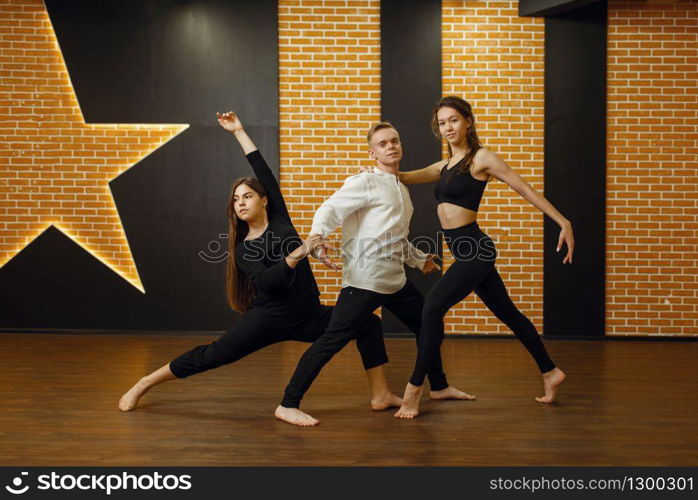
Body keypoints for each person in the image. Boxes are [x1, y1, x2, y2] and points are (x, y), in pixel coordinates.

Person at [118, 112, 400, 425]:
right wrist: (301, 251)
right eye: (236, 200)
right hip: (267, 318)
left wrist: (238, 130)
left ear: (264, 200)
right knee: (211, 355)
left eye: (248, 196)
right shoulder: (244, 249)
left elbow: (260, 167)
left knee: (369, 325)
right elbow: (270, 281)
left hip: (307, 314)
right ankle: (144, 383)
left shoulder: (279, 219)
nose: (240, 203)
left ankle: (380, 394)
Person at [275, 122, 474, 427]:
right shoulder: (365, 182)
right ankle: (287, 404)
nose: (390, 146)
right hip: (364, 281)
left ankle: (439, 385)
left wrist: (419, 260)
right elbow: (329, 209)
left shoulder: (401, 189)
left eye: (394, 141)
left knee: (428, 325)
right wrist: (316, 238)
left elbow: (394, 236)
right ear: (372, 152)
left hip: (394, 281)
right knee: (330, 341)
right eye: (382, 144)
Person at [391, 96, 573, 419]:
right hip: (467, 252)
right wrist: (379, 168)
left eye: (454, 121)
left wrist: (563, 221)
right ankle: (550, 372)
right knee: (510, 314)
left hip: (475, 252)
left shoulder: (481, 159)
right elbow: (403, 176)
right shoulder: (444, 166)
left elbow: (526, 189)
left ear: (468, 122)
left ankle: (414, 389)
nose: (448, 127)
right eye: (443, 123)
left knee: (432, 307)